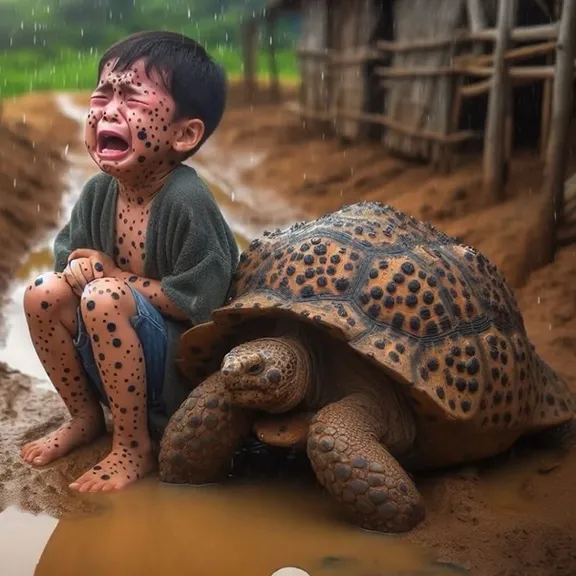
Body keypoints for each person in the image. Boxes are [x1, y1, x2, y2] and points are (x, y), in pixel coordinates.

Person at [20, 30, 239, 493]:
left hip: (175, 372)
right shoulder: (99, 192)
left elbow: (200, 302)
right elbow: (68, 257)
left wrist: (115, 278)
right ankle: (85, 416)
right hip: (113, 355)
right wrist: (78, 269)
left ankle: (134, 444)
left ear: (184, 134)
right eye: (102, 94)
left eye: (132, 98)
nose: (107, 109)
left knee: (102, 296)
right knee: (42, 292)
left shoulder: (186, 200)